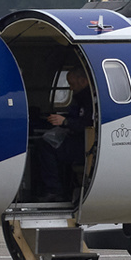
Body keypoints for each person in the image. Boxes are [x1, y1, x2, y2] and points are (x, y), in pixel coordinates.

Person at [33, 67, 92, 202]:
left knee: (45, 147)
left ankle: (54, 190)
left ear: (83, 81)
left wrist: (65, 122)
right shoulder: (82, 98)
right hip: (77, 139)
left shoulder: (90, 100)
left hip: (84, 143)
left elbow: (87, 124)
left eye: (72, 84)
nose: (71, 89)